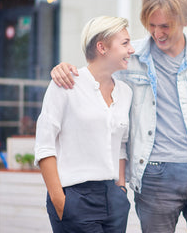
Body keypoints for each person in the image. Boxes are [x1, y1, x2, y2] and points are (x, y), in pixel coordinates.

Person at [51, 0, 187, 232]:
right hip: (155, 176)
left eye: (165, 26)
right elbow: (95, 71)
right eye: (151, 26)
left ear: (185, 21)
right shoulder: (130, 56)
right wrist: (64, 68)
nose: (157, 33)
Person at [35, 16, 135, 232]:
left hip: (113, 199)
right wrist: (59, 200)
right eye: (125, 43)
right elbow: (44, 145)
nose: (132, 49)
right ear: (102, 47)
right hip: (74, 198)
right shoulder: (65, 83)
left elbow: (120, 146)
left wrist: (121, 190)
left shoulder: (125, 92)